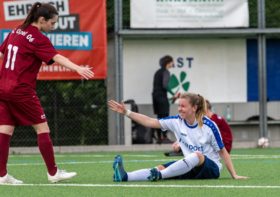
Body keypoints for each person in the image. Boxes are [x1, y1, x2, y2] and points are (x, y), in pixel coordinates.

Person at [0, 2, 94, 184]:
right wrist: (77, 68)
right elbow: (56, 56)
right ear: (42, 20)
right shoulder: (37, 37)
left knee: (5, 129)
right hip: (21, 90)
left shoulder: (17, 30)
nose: (54, 26)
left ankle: (1, 175)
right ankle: (53, 173)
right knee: (42, 128)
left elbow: (1, 54)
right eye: (52, 23)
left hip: (3, 88)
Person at [108, 93, 248, 182]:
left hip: (211, 169)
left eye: (183, 106)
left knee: (197, 155)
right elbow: (150, 121)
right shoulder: (176, 121)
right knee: (160, 167)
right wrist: (126, 112)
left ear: (194, 108)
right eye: (179, 106)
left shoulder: (209, 126)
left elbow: (223, 151)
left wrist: (234, 174)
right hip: (190, 166)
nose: (179, 109)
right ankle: (125, 176)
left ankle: (160, 176)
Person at [165, 99, 233, 156]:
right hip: (221, 147)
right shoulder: (212, 119)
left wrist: (180, 144)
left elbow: (197, 135)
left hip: (223, 149)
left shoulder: (212, 121)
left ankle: (185, 151)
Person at [152, 55, 174, 144]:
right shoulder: (166, 72)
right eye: (172, 62)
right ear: (168, 63)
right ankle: (164, 137)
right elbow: (165, 85)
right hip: (162, 97)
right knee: (165, 117)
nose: (173, 64)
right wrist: (173, 94)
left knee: (159, 117)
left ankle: (159, 138)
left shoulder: (157, 72)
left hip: (155, 97)